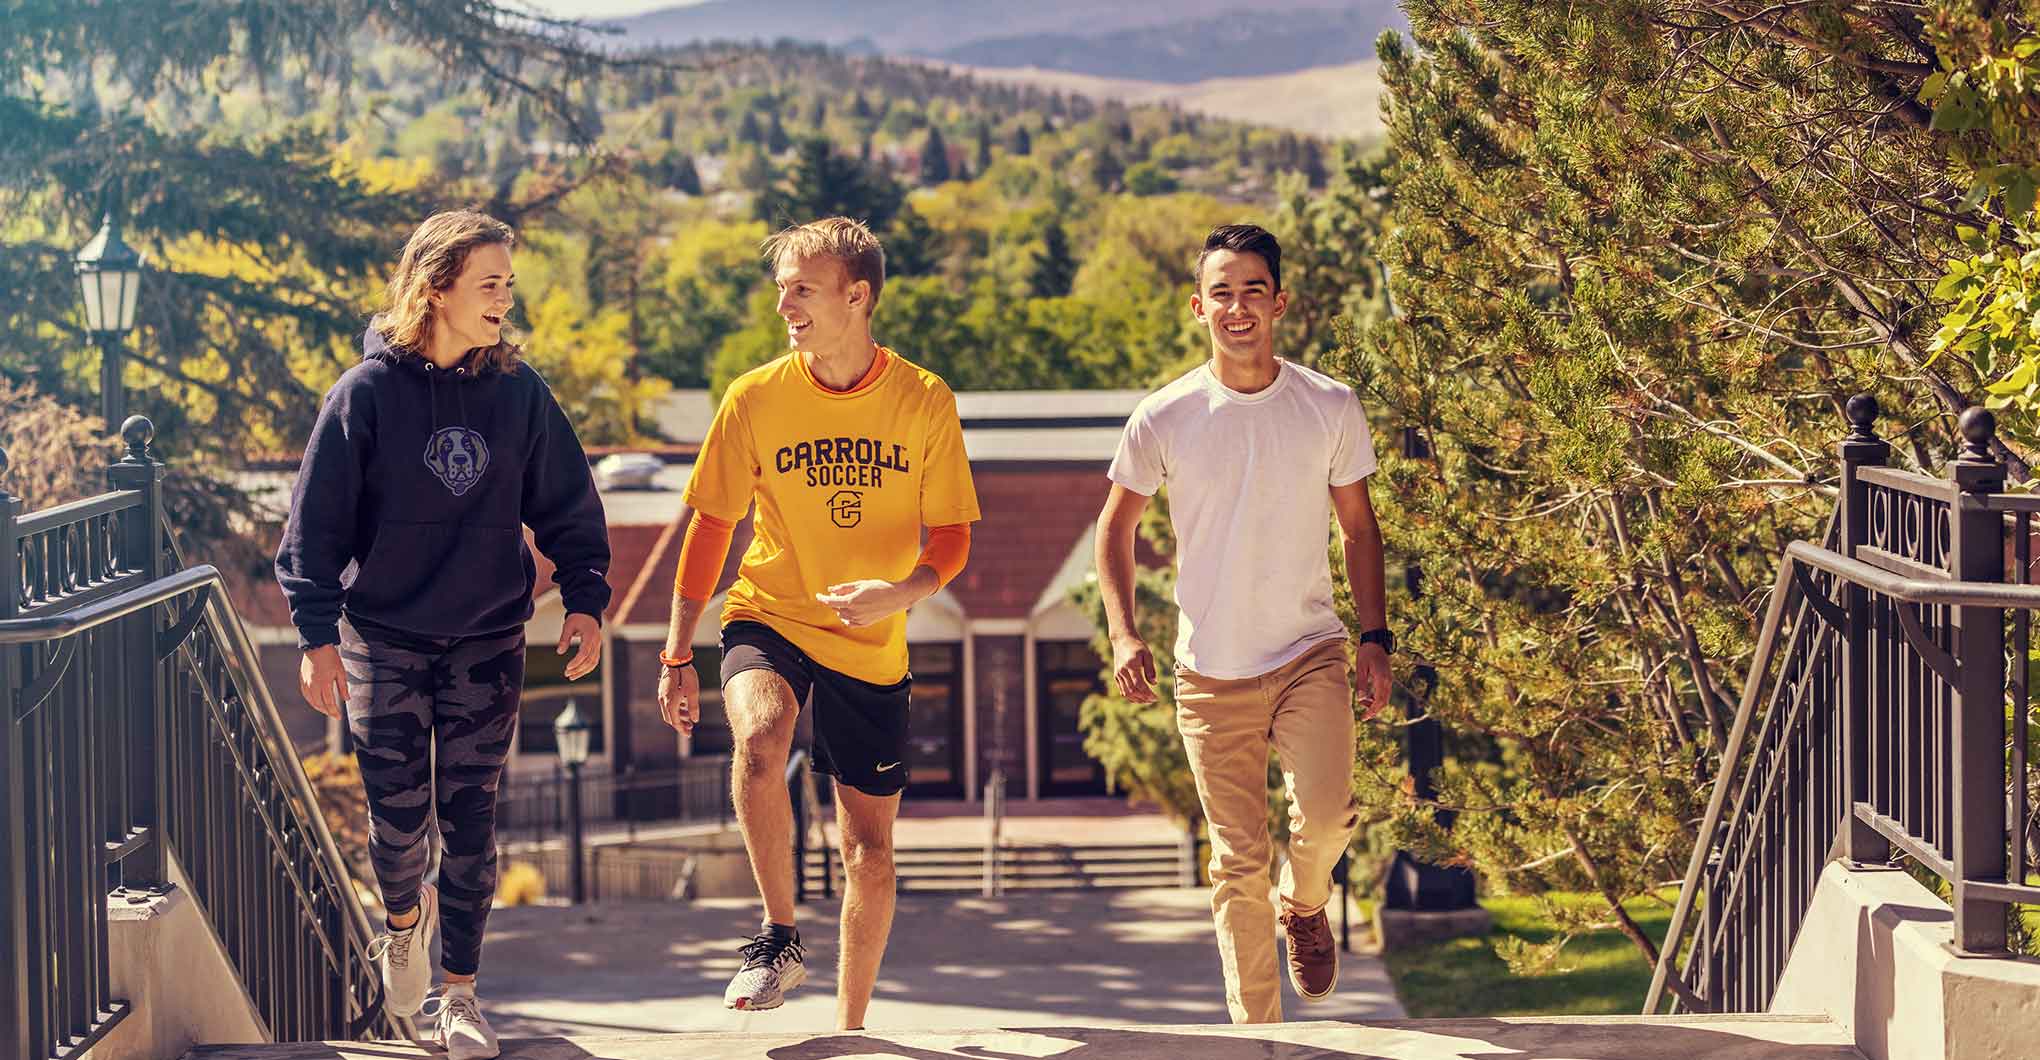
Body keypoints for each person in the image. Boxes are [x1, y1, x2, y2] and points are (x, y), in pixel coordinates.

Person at [275, 210, 610, 1059]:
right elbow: (313, 531)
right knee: (399, 827)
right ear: (437, 290)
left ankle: (457, 997)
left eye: (509, 283)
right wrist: (317, 639)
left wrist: (584, 598)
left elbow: (569, 503)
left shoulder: (519, 393)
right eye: (489, 283)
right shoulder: (365, 396)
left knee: (471, 824)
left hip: (489, 639)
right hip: (381, 638)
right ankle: (401, 924)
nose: (506, 298)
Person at [658, 217, 979, 1028]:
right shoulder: (756, 398)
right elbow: (709, 524)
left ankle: (852, 1027)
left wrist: (903, 592)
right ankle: (777, 936)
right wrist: (674, 652)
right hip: (770, 611)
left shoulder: (923, 399)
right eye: (780, 289)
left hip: (873, 643)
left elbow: (952, 536)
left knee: (868, 853)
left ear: (856, 294)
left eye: (802, 288)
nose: (785, 305)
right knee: (761, 741)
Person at [1093, 223, 1393, 1025]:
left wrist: (1374, 638)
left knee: (1326, 817)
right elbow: (1113, 530)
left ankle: (1305, 902)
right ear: (1199, 307)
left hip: (1309, 653)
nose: (1237, 306)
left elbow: (1360, 530)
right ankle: (1258, 1036)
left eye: (1253, 289)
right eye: (1221, 292)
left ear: (1279, 303)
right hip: (1210, 673)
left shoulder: (1328, 405)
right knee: (1235, 864)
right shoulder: (1165, 416)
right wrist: (1125, 633)